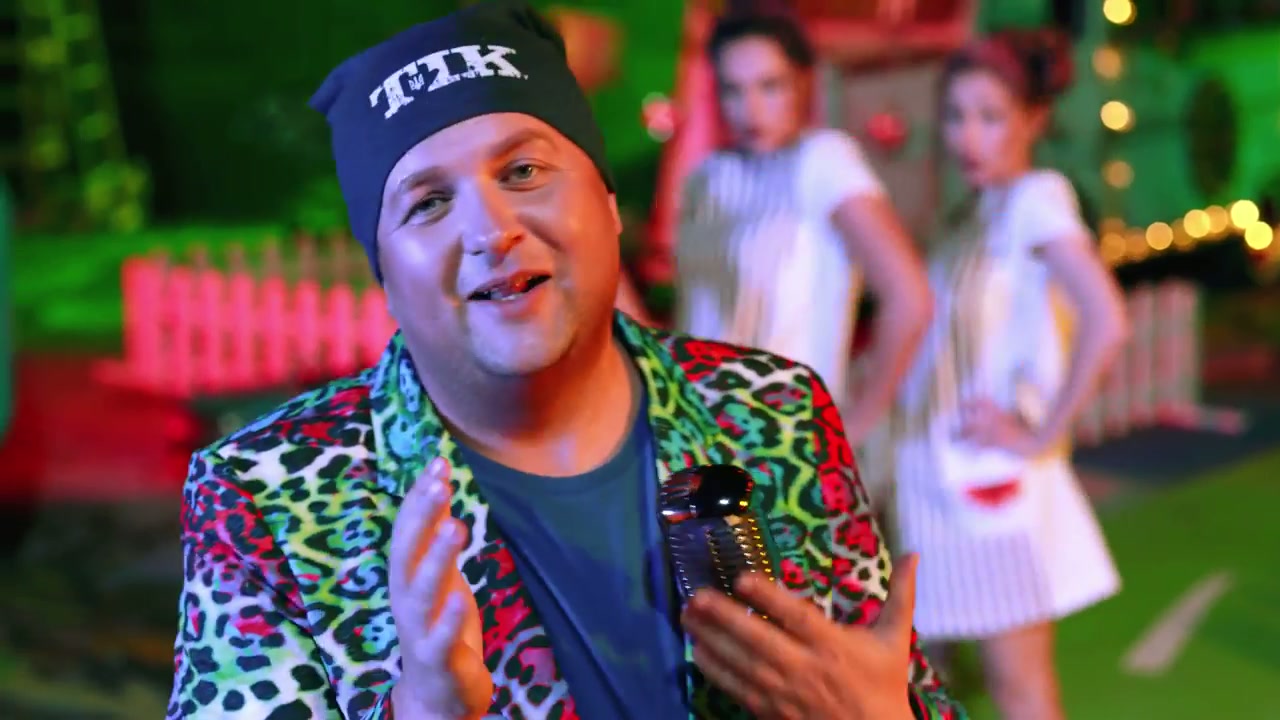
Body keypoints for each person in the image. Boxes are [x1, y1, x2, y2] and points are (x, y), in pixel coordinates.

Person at [165, 2, 964, 719]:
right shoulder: (266, 497)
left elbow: (896, 689)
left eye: (523, 171)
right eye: (428, 203)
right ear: (386, 274)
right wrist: (422, 710)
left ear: (608, 203)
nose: (491, 229)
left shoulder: (774, 409)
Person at [888, 29, 1128, 720]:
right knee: (920, 687)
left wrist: (1042, 433)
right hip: (931, 484)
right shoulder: (969, 213)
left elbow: (1106, 317)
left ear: (1033, 120)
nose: (968, 136)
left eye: (990, 117)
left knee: (1019, 689)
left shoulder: (1035, 198)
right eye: (956, 115)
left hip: (987, 488)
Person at [674, 11, 932, 452]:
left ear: (802, 82)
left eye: (769, 86)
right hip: (698, 437)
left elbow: (910, 298)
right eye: (733, 90)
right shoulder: (708, 178)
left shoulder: (822, 161)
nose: (750, 108)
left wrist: (855, 423)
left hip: (783, 443)